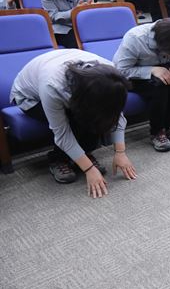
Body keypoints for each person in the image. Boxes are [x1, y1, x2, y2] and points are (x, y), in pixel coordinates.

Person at [10, 49, 137, 196]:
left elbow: (115, 113)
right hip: (31, 98)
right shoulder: (52, 85)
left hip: (75, 91)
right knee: (76, 119)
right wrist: (89, 169)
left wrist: (120, 152)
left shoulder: (112, 77)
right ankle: (58, 159)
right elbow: (61, 132)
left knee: (97, 116)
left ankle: (83, 154)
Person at [113, 18, 170, 152]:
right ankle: (157, 131)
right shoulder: (135, 38)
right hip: (133, 75)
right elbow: (120, 70)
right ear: (163, 45)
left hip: (163, 70)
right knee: (159, 87)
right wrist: (151, 70)